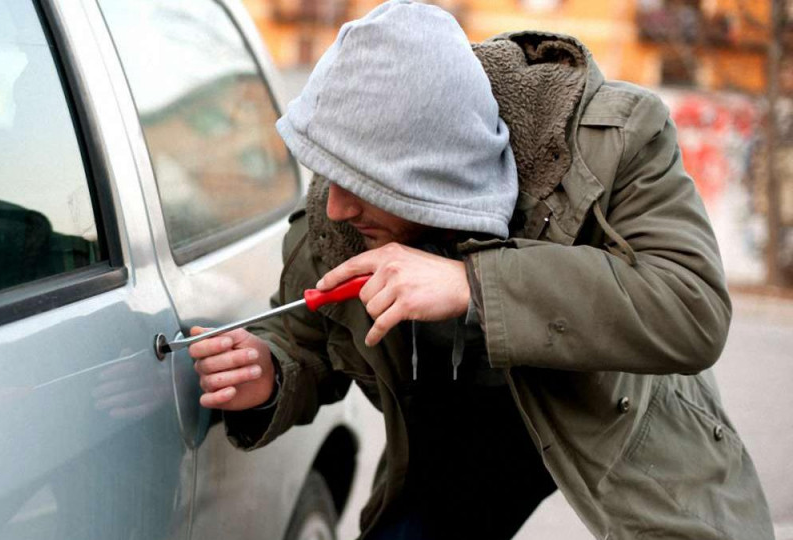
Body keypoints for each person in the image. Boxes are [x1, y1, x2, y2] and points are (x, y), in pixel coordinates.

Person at [189, 1, 774, 539]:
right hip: (460, 442)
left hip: (623, 419)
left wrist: (472, 285)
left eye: (362, 184)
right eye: (330, 175)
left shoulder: (614, 140)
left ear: (430, 174)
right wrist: (270, 371)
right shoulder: (338, 217)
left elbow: (691, 306)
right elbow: (308, 336)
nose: (337, 205)